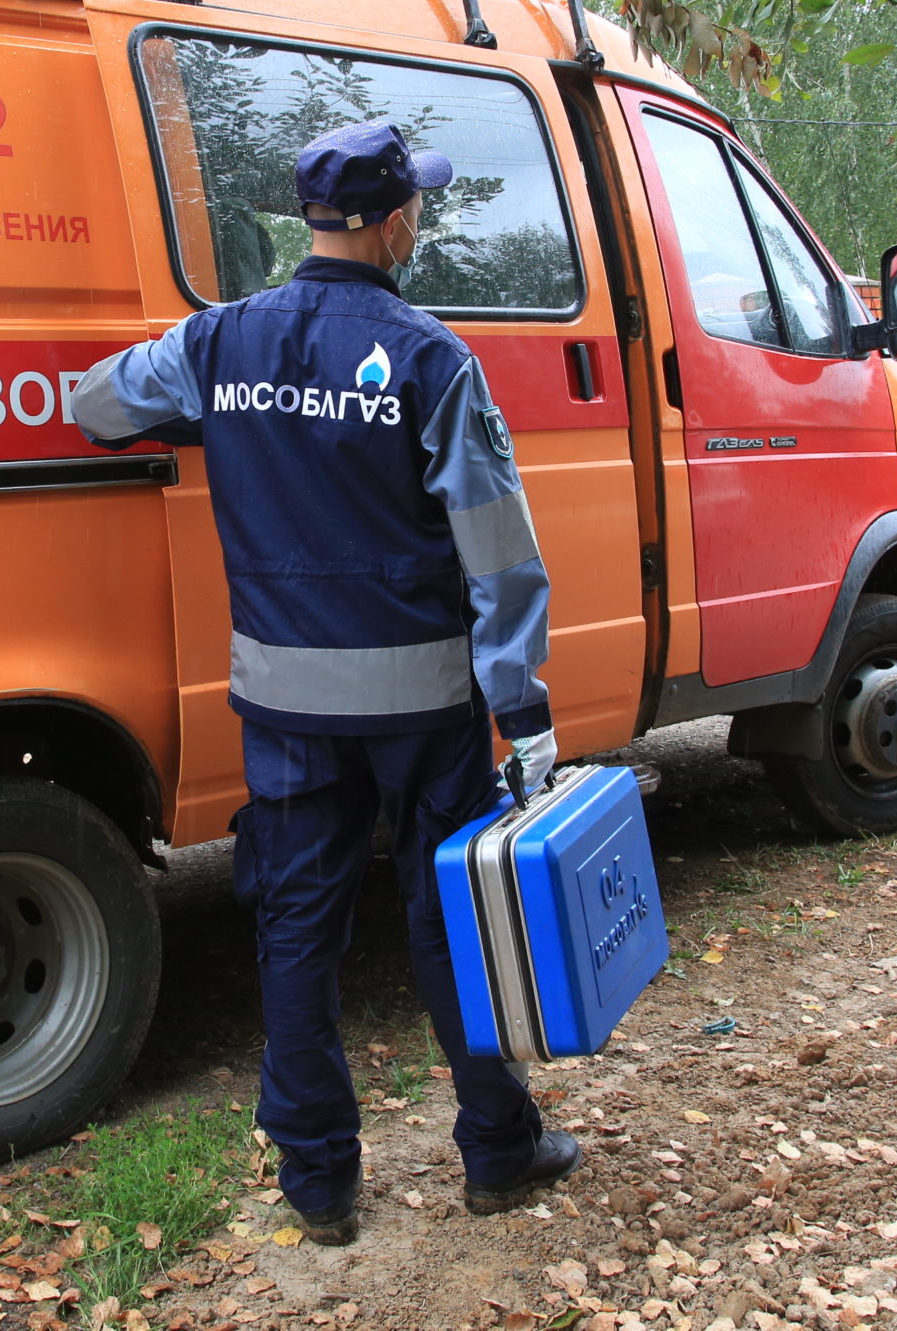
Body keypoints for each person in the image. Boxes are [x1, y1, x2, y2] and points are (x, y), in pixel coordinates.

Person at [72, 119, 579, 1245]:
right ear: (393, 222)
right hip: (422, 711)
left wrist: (223, 408)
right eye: (420, 209)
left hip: (286, 706)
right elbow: (498, 544)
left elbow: (95, 405)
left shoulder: (219, 342)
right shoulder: (429, 356)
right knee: (451, 920)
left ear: (311, 221)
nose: (422, 225)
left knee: (296, 928)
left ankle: (318, 1185)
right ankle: (497, 1150)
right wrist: (520, 702)